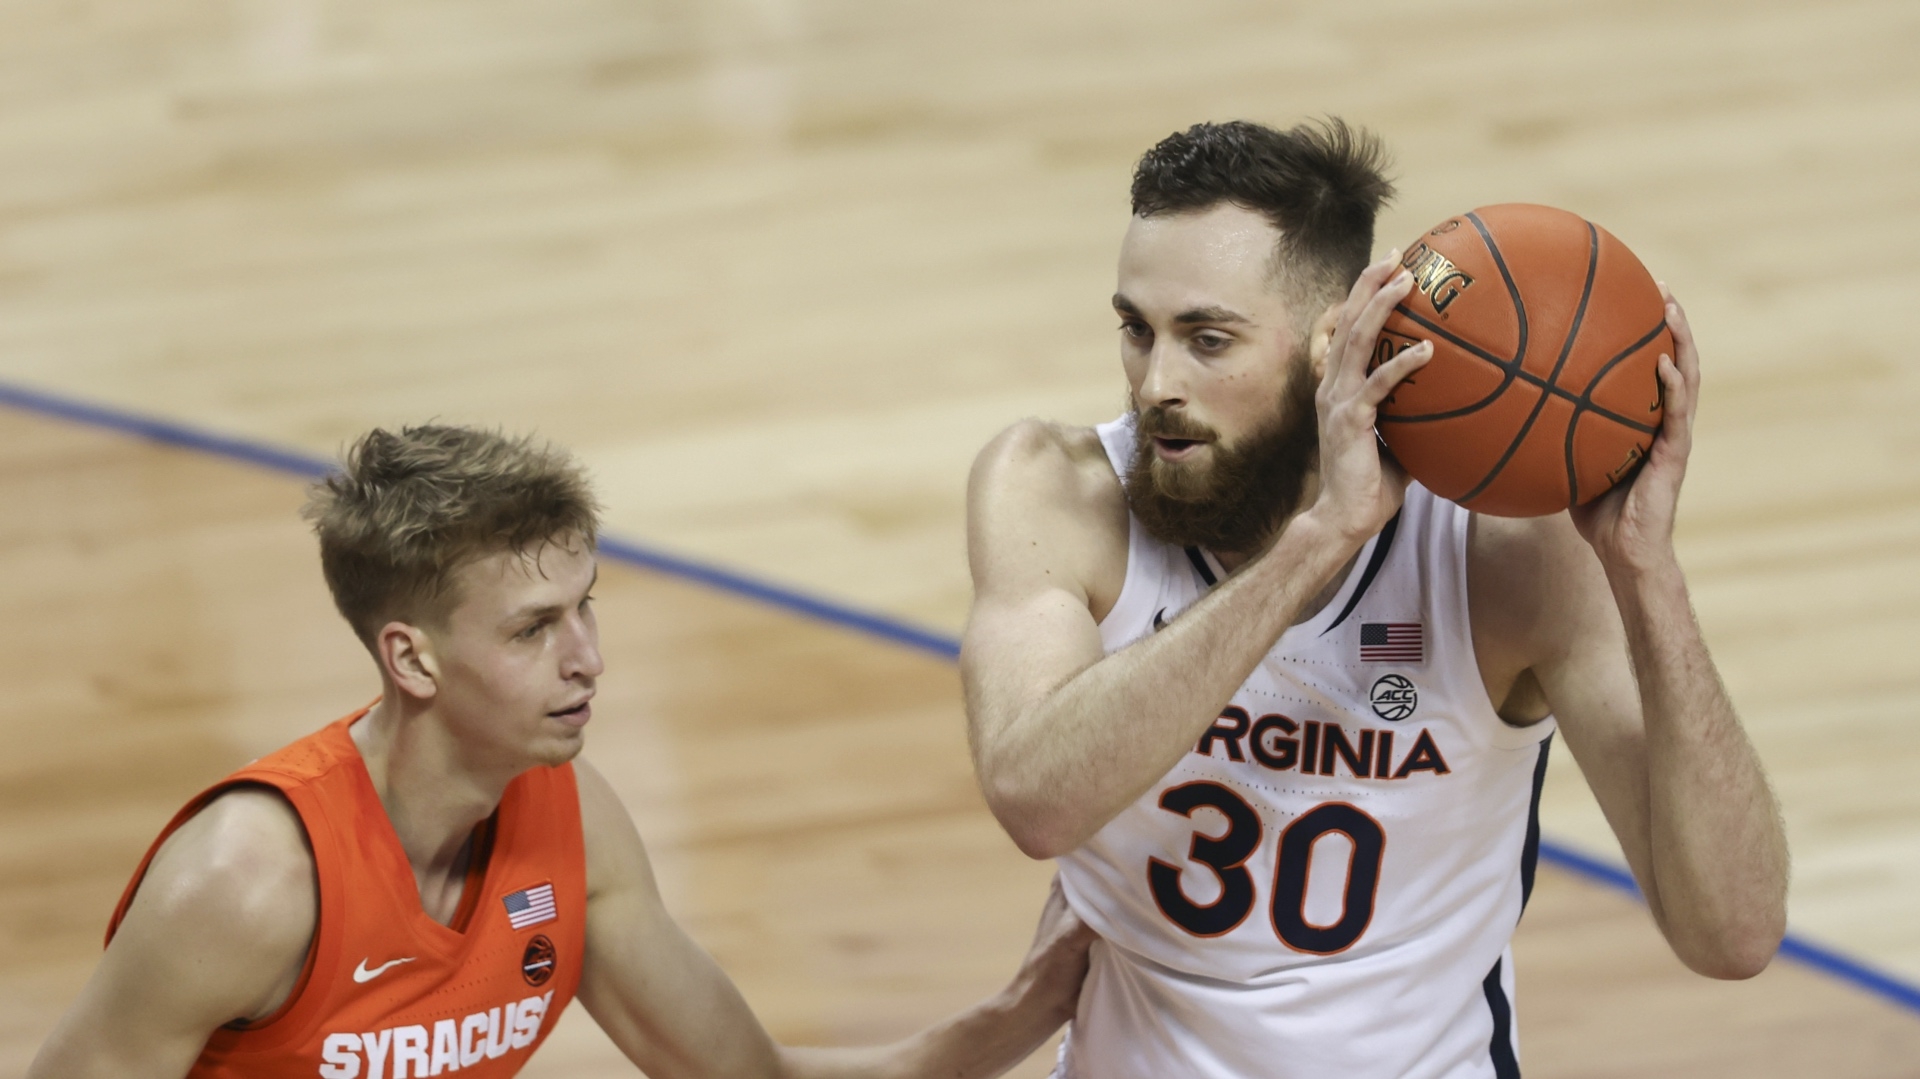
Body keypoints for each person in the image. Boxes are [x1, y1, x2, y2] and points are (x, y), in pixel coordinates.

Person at [960, 118, 1788, 1078]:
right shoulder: (1054, 491)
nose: (1156, 383)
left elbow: (1733, 933)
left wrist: (1648, 576)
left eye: (1208, 340)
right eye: (1137, 331)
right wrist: (1319, 543)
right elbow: (1035, 800)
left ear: (1331, 346)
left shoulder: (1504, 553)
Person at [31, 425, 1092, 1079]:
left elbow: (743, 1075)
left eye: (585, 607)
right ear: (414, 656)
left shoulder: (571, 819)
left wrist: (1014, 1019)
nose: (589, 659)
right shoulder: (248, 881)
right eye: (533, 629)